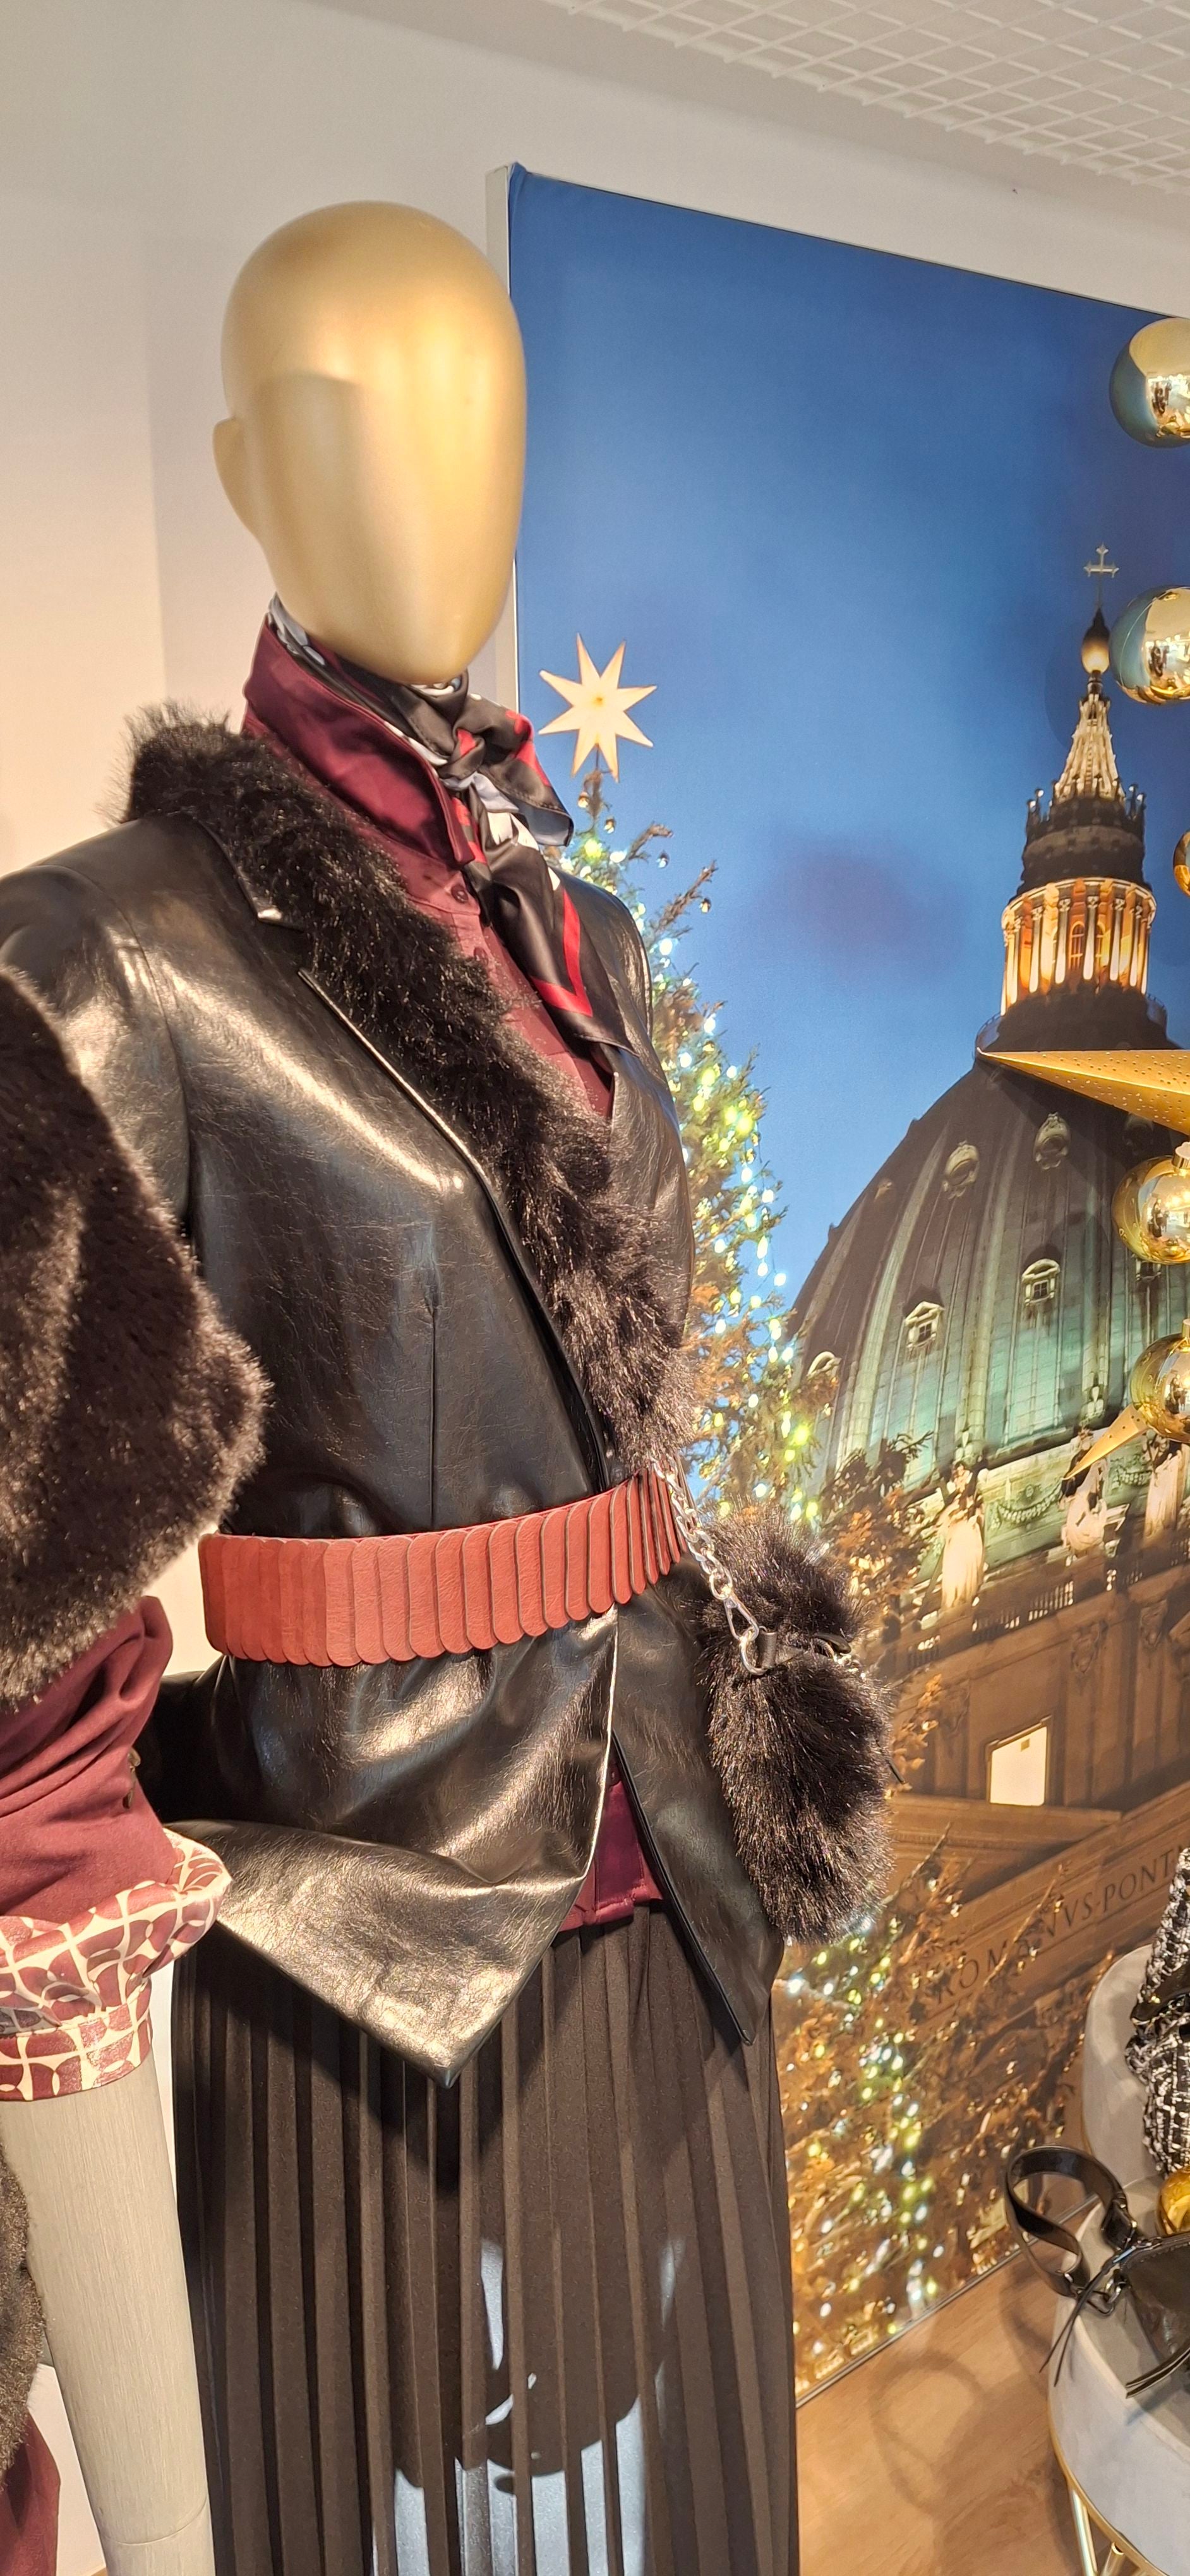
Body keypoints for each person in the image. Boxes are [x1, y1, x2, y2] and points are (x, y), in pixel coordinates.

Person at [0, 204, 889, 2576]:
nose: (432, 484)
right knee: (365, 2508)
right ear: (239, 471)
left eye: (479, 414)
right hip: (357, 1934)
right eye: (345, 420)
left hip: (671, 1882)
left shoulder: (578, 931)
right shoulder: (101, 955)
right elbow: (31, 1677)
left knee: (683, 2496)